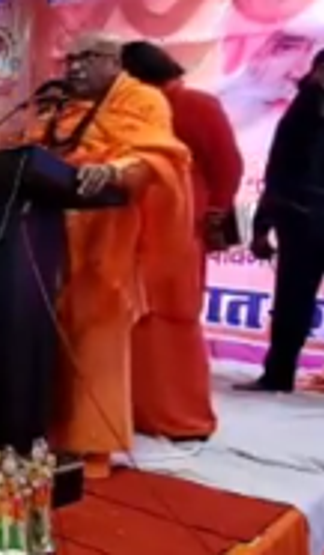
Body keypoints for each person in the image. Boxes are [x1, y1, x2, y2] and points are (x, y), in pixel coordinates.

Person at [27, 34, 195, 478]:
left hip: (106, 232)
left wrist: (114, 170)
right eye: (71, 59)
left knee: (95, 339)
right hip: (46, 230)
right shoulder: (62, 106)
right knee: (42, 334)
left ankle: (92, 449)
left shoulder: (143, 100)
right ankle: (44, 433)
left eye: (89, 57)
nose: (76, 67)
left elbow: (158, 155)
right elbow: (37, 152)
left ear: (116, 62)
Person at [121, 41, 239, 440]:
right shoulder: (131, 112)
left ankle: (181, 416)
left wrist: (215, 213)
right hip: (134, 227)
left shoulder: (197, 104)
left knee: (173, 314)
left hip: (181, 225)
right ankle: (135, 410)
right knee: (137, 316)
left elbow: (228, 166)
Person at [237, 50, 324, 393]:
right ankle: (278, 373)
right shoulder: (300, 112)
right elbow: (278, 172)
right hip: (301, 218)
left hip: (304, 215)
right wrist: (262, 226)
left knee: (293, 300)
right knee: (291, 302)